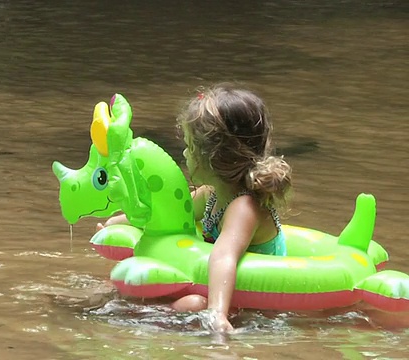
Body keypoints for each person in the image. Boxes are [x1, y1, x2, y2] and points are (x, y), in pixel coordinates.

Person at [97, 83, 293, 332]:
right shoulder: (211, 194)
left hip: (255, 304)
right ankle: (118, 308)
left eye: (190, 147)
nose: (185, 153)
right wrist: (120, 222)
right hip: (217, 289)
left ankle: (131, 320)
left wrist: (217, 314)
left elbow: (224, 256)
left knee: (191, 304)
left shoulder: (244, 206)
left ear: (213, 156)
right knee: (122, 285)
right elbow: (168, 215)